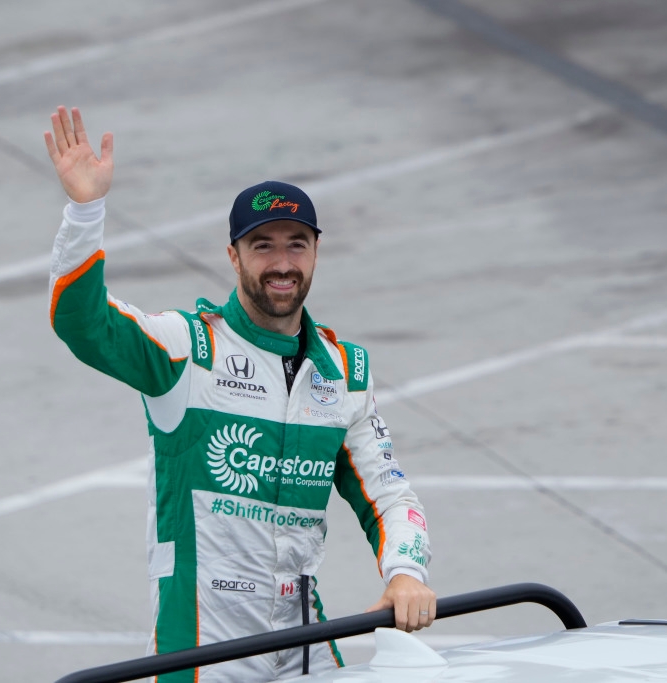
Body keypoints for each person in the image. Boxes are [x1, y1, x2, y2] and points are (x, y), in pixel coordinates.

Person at [44, 106, 434, 682]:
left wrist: (405, 573)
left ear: (316, 252)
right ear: (233, 256)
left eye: (297, 244)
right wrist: (85, 210)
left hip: (304, 640)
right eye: (262, 246)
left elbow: (389, 493)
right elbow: (81, 322)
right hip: (204, 646)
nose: (282, 264)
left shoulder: (345, 372)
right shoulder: (186, 348)